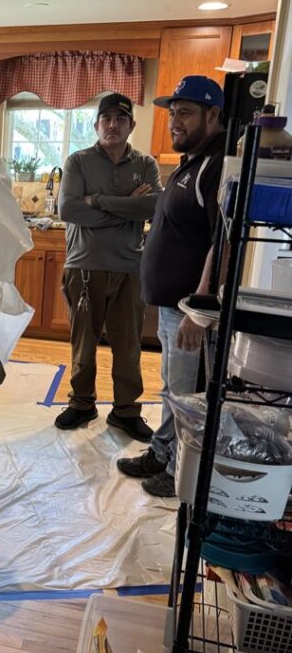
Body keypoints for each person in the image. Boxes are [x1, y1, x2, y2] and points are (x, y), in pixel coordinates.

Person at [117, 75, 226, 498]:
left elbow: (224, 241)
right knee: (171, 388)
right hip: (170, 307)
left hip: (188, 313)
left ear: (213, 115)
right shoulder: (192, 163)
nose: (174, 122)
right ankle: (163, 452)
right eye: (172, 113)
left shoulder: (215, 167)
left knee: (187, 396)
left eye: (185, 113)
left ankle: (180, 468)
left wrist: (200, 309)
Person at [55, 93, 162, 440]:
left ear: (131, 125)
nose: (113, 124)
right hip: (84, 267)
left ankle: (126, 411)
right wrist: (125, 206)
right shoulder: (78, 162)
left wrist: (98, 201)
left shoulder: (146, 164)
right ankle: (82, 402)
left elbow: (154, 207)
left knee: (128, 346)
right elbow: (69, 210)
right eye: (106, 118)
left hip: (130, 268)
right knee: (83, 345)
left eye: (121, 118)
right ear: (96, 124)